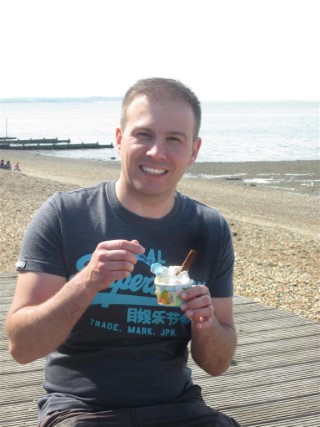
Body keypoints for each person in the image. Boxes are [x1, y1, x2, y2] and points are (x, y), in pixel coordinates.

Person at [6, 78, 239, 427]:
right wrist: (85, 283)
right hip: (80, 408)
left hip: (176, 405)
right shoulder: (65, 216)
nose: (156, 151)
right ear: (119, 139)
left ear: (193, 150)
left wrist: (205, 322)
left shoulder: (210, 228)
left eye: (174, 139)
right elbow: (21, 347)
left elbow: (217, 364)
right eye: (143, 134)